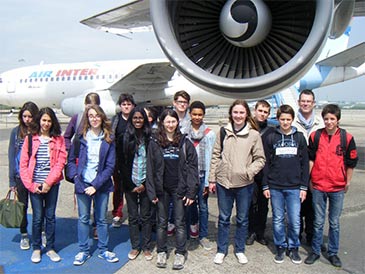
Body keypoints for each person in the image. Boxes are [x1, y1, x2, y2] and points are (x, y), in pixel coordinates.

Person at [208, 99, 265, 265]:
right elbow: (216, 155)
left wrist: (248, 172)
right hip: (223, 183)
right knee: (224, 218)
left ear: (246, 114)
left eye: (241, 112)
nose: (238, 115)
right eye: (235, 112)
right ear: (231, 114)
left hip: (244, 184)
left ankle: (239, 249)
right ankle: (221, 249)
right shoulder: (223, 131)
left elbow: (260, 159)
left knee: (242, 219)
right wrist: (212, 178)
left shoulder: (254, 134)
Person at [304, 104, 358, 268]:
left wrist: (347, 182)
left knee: (334, 222)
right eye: (326, 119)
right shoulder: (315, 136)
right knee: (318, 222)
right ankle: (315, 251)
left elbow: (351, 163)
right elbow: (311, 159)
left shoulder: (346, 138)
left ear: (338, 120)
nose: (328, 122)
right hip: (319, 185)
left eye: (332, 119)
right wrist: (310, 180)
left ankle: (333, 253)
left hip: (337, 187)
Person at [146, 109, 199, 270]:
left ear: (178, 123)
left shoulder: (184, 143)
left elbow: (192, 168)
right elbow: (150, 168)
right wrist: (152, 191)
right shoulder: (155, 142)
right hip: (161, 189)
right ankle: (162, 251)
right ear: (162, 122)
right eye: (167, 121)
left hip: (179, 189)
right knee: (162, 222)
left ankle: (180, 253)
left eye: (173, 121)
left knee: (180, 222)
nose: (170, 125)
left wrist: (191, 191)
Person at [67, 105, 119, 266]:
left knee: (102, 219)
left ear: (102, 117)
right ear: (87, 119)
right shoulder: (80, 138)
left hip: (101, 184)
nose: (94, 118)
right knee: (83, 218)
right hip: (82, 184)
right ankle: (83, 250)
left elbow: (110, 166)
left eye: (97, 115)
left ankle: (103, 250)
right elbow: (70, 161)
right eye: (91, 116)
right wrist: (76, 178)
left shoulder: (109, 138)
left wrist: (96, 185)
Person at [262, 104, 309, 265]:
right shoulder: (271, 137)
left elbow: (304, 164)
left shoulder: (300, 138)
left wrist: (304, 187)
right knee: (278, 219)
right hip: (275, 186)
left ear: (292, 119)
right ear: (278, 119)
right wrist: (265, 185)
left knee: (295, 220)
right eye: (282, 119)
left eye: (288, 119)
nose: (285, 122)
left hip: (294, 187)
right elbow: (266, 163)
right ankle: (280, 246)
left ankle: (293, 247)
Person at [19, 107, 67, 263]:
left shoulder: (58, 139)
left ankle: (51, 247)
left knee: (50, 217)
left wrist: (48, 183)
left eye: (49, 120)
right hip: (35, 185)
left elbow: (60, 163)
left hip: (51, 185)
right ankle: (37, 247)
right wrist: (31, 186)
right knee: (37, 218)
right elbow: (23, 165)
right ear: (39, 120)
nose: (46, 123)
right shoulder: (30, 139)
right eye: (44, 120)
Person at [63, 92, 101, 239]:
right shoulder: (77, 118)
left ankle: (97, 225)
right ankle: (85, 227)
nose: (90, 109)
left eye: (94, 106)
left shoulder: (101, 120)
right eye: (88, 106)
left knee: (97, 196)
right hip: (80, 165)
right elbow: (66, 136)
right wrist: (71, 151)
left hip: (96, 165)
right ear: (84, 105)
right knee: (83, 197)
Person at [117, 107, 153, 261]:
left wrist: (145, 183)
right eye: (135, 118)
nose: (138, 120)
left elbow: (152, 162)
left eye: (141, 118)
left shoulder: (150, 137)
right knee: (133, 217)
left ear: (144, 119)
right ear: (131, 119)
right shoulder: (123, 138)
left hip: (146, 183)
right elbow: (121, 164)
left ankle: (146, 246)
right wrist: (131, 184)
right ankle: (135, 246)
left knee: (145, 216)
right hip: (130, 183)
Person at [293, 89, 323, 245]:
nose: (305, 104)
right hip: (296, 173)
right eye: (303, 101)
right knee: (295, 208)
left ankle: (312, 238)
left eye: (308, 101)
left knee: (313, 209)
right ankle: (295, 239)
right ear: (299, 103)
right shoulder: (291, 123)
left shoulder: (321, 123)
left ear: (313, 103)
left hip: (316, 173)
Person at [8, 101, 39, 250]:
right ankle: (24, 234)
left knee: (39, 208)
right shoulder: (16, 131)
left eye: (30, 116)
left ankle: (41, 233)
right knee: (22, 207)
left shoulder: (38, 132)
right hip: (20, 177)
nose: (27, 119)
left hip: (35, 176)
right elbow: (11, 156)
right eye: (24, 116)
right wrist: (11, 180)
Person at [185, 101, 216, 250]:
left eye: (200, 114)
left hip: (203, 174)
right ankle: (192, 229)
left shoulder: (210, 134)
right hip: (188, 176)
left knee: (203, 207)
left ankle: (203, 235)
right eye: (194, 114)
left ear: (204, 115)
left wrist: (210, 180)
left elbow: (212, 157)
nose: (197, 117)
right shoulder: (184, 132)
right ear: (190, 114)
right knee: (189, 204)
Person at [246, 100, 275, 246]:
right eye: (260, 110)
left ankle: (260, 232)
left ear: (269, 114)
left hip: (265, 173)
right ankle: (250, 231)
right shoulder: (249, 129)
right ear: (255, 111)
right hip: (250, 171)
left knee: (263, 205)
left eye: (265, 112)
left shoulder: (271, 131)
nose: (262, 114)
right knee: (251, 203)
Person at [168, 90, 191, 236]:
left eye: (184, 102)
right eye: (179, 102)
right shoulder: (168, 118)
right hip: (170, 163)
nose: (182, 105)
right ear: (174, 103)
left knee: (185, 198)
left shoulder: (191, 120)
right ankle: (171, 223)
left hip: (187, 163)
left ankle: (185, 226)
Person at [111, 93, 136, 228]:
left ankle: (134, 214)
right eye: (124, 105)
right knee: (118, 187)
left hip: (133, 159)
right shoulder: (115, 120)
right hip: (118, 159)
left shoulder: (136, 119)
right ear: (120, 106)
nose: (126, 107)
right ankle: (117, 213)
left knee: (134, 187)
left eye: (128, 104)